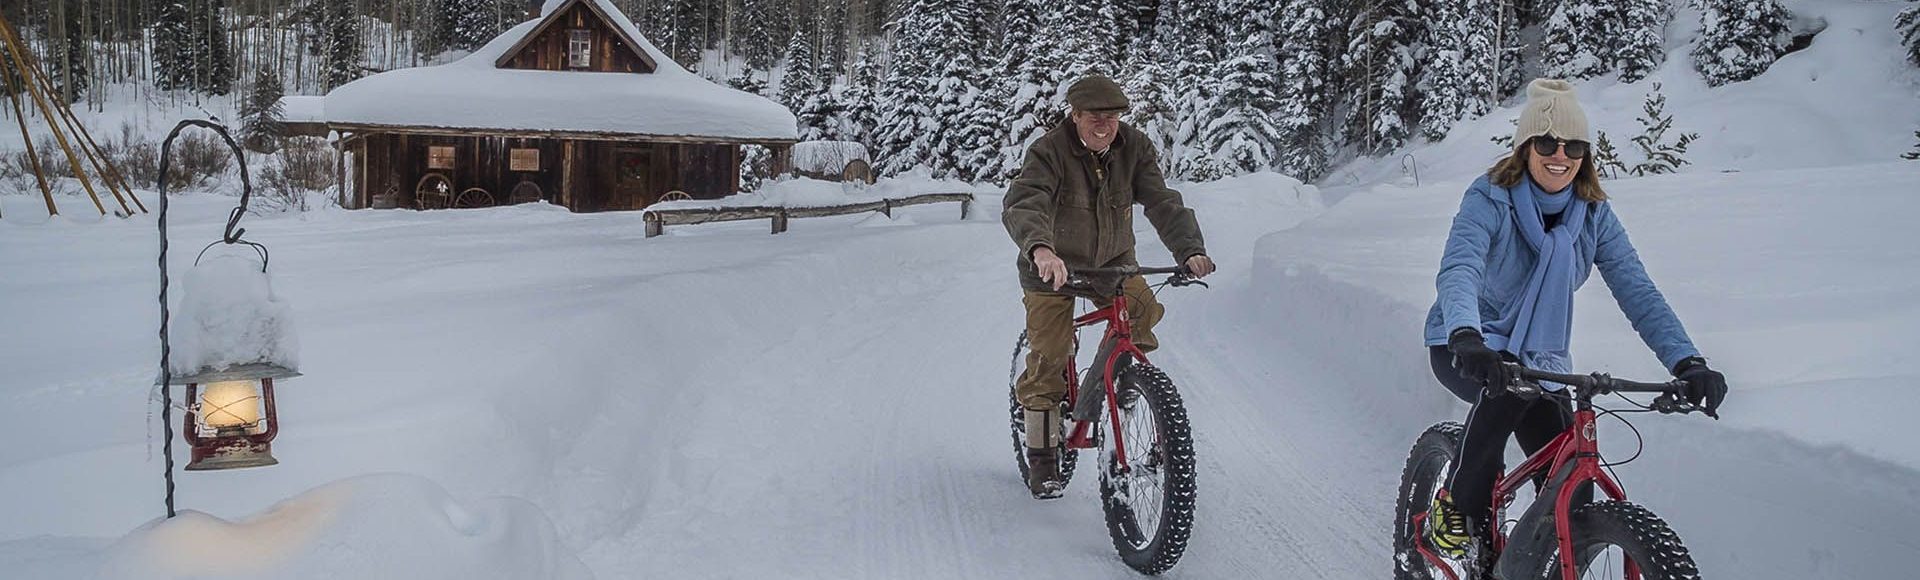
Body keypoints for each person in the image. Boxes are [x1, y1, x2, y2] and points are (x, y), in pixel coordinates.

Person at [1421, 79, 1730, 559]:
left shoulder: (1593, 215)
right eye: (1547, 143)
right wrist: (1466, 334)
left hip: (1538, 359)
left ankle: (1539, 558)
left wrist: (1687, 361)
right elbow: (1460, 267)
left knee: (1570, 483)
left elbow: (1638, 290)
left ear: (1587, 153)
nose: (1559, 155)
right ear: (1525, 148)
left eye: (1574, 146)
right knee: (1504, 399)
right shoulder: (1489, 198)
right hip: (1466, 344)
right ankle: (1455, 510)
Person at [1002, 75, 1215, 499]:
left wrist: (1189, 249)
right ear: (1075, 115)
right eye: (1095, 117)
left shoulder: (1134, 147)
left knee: (1143, 311)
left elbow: (1161, 201)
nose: (1105, 125)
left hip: (1112, 264)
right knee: (1050, 351)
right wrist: (1041, 250)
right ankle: (1043, 456)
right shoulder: (1048, 152)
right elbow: (1027, 202)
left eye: (1113, 117)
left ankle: (1122, 385)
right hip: (1052, 267)